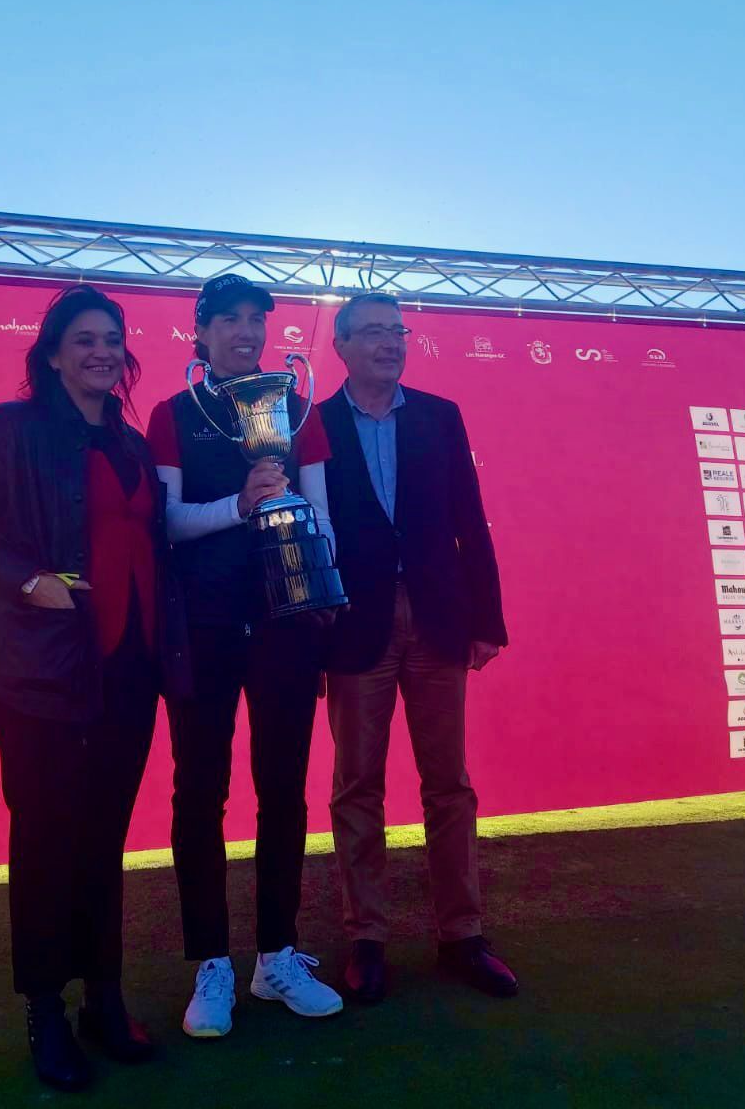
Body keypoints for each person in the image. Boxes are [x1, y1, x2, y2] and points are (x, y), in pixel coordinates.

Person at [0, 284, 187, 1093]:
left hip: (128, 668)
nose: (102, 351)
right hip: (39, 672)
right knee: (47, 840)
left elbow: (154, 538)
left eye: (112, 338)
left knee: (102, 838)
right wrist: (26, 580)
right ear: (51, 353)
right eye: (84, 339)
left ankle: (103, 999)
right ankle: (46, 1008)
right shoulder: (10, 430)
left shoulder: (132, 441)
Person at [145, 273, 345, 1037]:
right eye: (227, 320)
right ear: (200, 333)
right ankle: (211, 965)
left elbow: (324, 519)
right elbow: (164, 523)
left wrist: (296, 525)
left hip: (286, 626)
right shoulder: (174, 416)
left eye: (255, 320)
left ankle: (276, 955)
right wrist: (241, 504)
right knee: (199, 793)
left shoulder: (299, 411)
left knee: (284, 792)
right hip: (203, 627)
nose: (243, 332)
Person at [318, 290, 518, 1004]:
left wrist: (487, 619)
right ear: (339, 345)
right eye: (372, 332)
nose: (390, 344)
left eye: (397, 332)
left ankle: (462, 934)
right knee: (357, 788)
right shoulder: (314, 425)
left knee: (450, 785)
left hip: (438, 619)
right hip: (353, 626)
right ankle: (366, 939)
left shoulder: (439, 416)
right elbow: (308, 538)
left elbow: (473, 520)